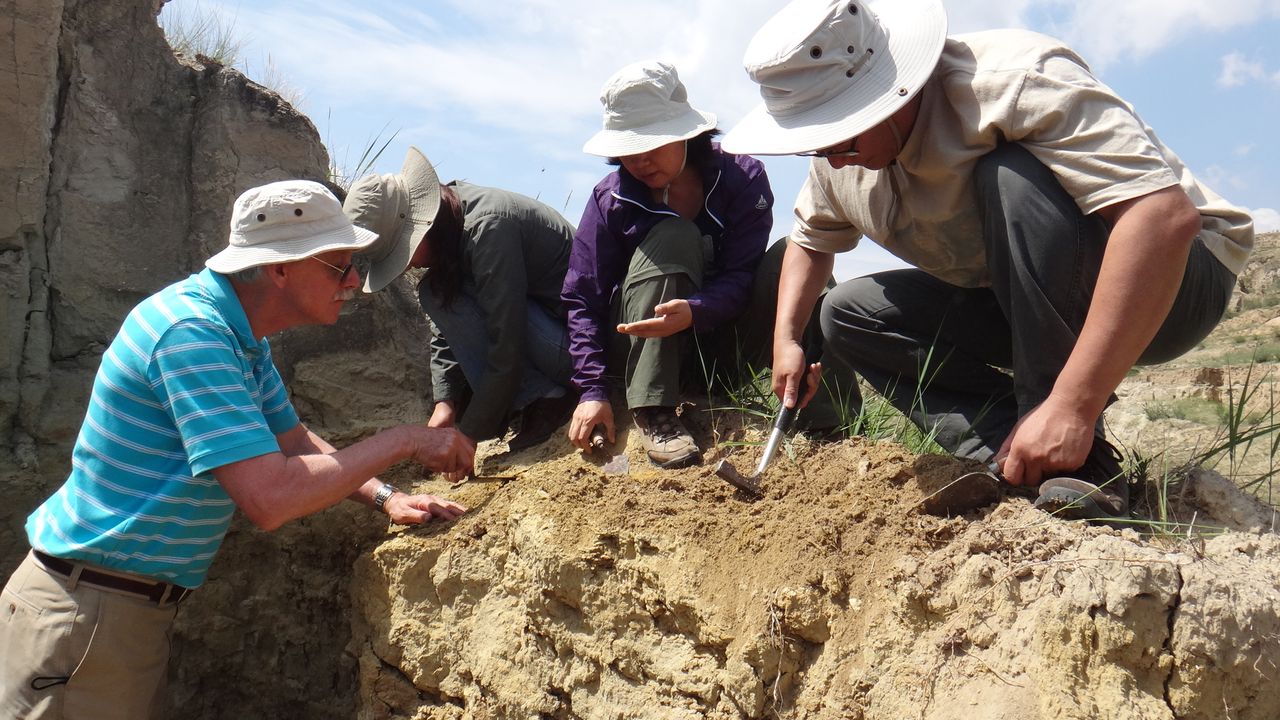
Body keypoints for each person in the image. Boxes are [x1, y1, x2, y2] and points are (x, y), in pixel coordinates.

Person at [721, 0, 1254, 522]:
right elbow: (810, 243)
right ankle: (1016, 454)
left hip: (1174, 283)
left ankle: (1077, 461)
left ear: (888, 93)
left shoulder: (1011, 81)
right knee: (847, 310)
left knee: (1010, 176)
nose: (834, 155)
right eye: (817, 143)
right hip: (1017, 300)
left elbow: (1162, 220)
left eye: (842, 134)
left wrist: (1072, 406)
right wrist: (787, 339)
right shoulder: (839, 159)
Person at [0, 180, 475, 719]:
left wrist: (385, 497)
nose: (352, 283)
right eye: (339, 266)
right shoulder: (192, 334)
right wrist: (405, 440)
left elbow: (292, 440)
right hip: (86, 616)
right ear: (280, 267)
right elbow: (270, 499)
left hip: (113, 612)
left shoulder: (236, 335)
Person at [563, 59, 857, 469]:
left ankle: (831, 424)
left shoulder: (742, 178)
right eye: (629, 149)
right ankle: (654, 410)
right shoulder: (610, 199)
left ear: (688, 134)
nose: (641, 160)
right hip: (638, 347)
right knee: (675, 234)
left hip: (721, 349)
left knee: (797, 258)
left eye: (652, 143)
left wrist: (695, 312)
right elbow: (583, 297)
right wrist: (592, 390)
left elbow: (742, 276)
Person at [344, 147, 579, 455]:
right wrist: (446, 402)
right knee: (435, 292)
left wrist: (468, 436)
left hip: (580, 353)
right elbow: (449, 329)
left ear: (421, 226)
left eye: (402, 254)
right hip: (546, 337)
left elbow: (506, 338)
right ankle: (529, 399)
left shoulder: (488, 228)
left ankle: (545, 398)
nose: (408, 265)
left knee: (442, 293)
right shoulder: (455, 221)